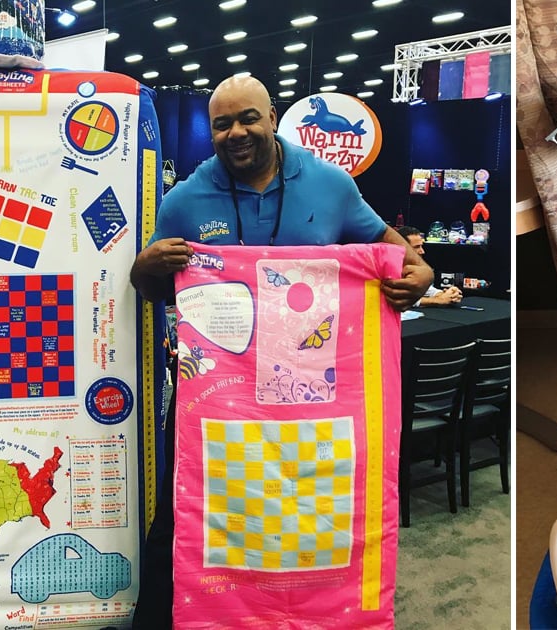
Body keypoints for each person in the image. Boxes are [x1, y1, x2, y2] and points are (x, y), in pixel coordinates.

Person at [128, 76, 432, 627]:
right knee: (193, 511)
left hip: (315, 397)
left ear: (272, 117)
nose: (236, 132)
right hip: (218, 401)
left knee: (317, 509)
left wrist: (422, 270)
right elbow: (154, 286)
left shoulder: (330, 185)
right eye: (222, 124)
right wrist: (143, 271)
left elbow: (388, 246)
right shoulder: (185, 200)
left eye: (248, 118)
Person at [397, 226, 463, 307]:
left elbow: (426, 289)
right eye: (417, 247)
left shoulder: (416, 267)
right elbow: (399, 298)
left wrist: (447, 294)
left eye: (421, 246)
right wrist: (438, 301)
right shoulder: (387, 267)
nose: (422, 251)